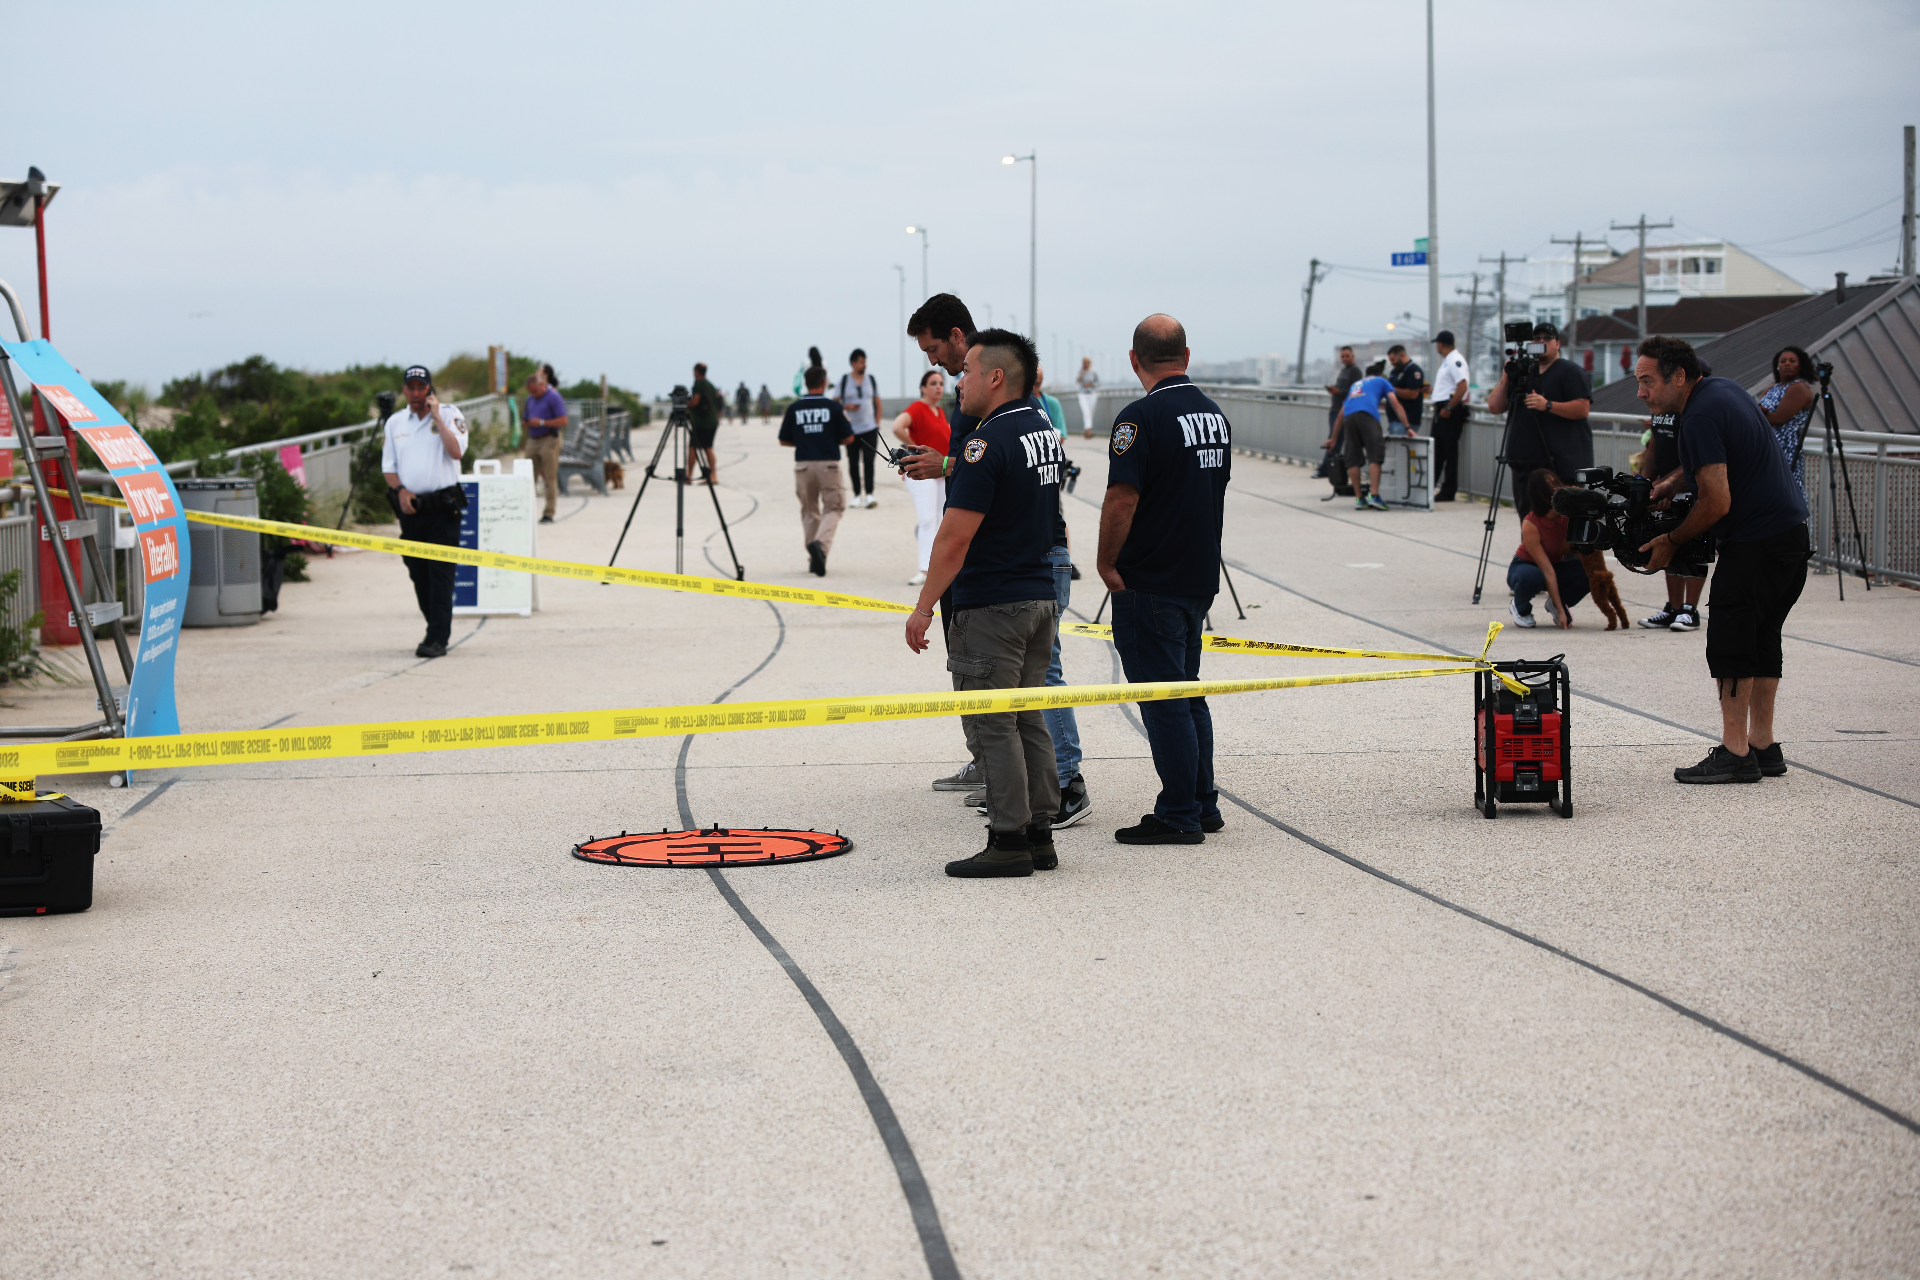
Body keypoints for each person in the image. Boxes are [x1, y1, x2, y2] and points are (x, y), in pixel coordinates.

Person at [902, 329, 1063, 878]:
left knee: (993, 723)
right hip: (1039, 596)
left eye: (967, 369)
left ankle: (1009, 838)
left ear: (996, 377)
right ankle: (1041, 831)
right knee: (1027, 716)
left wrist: (924, 606)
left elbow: (954, 537)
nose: (958, 379)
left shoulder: (983, 442)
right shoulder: (1041, 428)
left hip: (993, 602)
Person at [1634, 335, 1812, 785]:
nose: (1641, 392)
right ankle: (1763, 746)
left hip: (1755, 543)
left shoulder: (1699, 416)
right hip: (1790, 537)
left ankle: (1734, 753)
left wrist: (1671, 539)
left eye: (1647, 381)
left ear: (1679, 376)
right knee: (1762, 636)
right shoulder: (1725, 390)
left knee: (1731, 642)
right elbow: (1716, 464)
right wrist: (1671, 484)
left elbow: (1716, 502)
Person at [1097, 313, 1231, 845]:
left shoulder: (1139, 419)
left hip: (1149, 578)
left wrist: (1107, 564)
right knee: (1187, 691)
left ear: (1134, 360)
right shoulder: (1213, 415)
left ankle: (1178, 812)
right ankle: (1202, 802)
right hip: (1198, 575)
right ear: (1187, 355)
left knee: (1162, 697)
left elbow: (1121, 499)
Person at [899, 293, 990, 800]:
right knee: (965, 662)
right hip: (967, 552)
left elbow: (999, 463)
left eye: (934, 348)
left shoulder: (995, 389)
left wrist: (947, 466)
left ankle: (1058, 780)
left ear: (958, 336)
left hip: (987, 556)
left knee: (1006, 673)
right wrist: (941, 462)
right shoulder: (964, 390)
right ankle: (985, 761)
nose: (933, 360)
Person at [381, 365, 469, 658]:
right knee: (419, 574)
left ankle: (436, 638)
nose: (417, 394)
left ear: (431, 389)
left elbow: (456, 452)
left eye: (422, 388)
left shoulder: (450, 414)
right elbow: (389, 468)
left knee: (441, 574)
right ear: (404, 390)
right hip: (412, 510)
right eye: (412, 388)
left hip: (443, 509)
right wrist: (400, 491)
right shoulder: (395, 423)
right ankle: (435, 627)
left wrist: (437, 419)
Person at [1486, 321, 1592, 509]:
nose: (1541, 341)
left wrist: (1548, 405)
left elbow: (1582, 409)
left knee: (1562, 523)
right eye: (1536, 338)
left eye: (1547, 338)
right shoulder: (1524, 372)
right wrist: (1506, 378)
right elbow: (1494, 407)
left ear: (1557, 343)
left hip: (1560, 466)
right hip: (1525, 465)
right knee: (1529, 523)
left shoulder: (1571, 371)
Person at [1637, 404, 1711, 631]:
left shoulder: (1693, 408)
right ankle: (1674, 608)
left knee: (1694, 547)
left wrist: (1665, 482)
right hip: (1664, 486)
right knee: (1668, 542)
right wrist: (1645, 483)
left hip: (1690, 485)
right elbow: (1653, 447)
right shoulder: (1659, 407)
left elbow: (1696, 454)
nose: (1644, 392)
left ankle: (1690, 609)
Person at [777, 366, 856, 577]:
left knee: (809, 511)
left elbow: (783, 439)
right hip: (828, 464)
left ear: (806, 383)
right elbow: (849, 437)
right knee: (834, 507)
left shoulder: (794, 409)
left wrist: (805, 440)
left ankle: (814, 559)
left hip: (803, 466)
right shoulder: (833, 407)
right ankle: (820, 547)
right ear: (824, 383)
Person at [1505, 468, 1589, 630]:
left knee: (1588, 575)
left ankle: (1557, 602)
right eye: (1548, 485)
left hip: (1555, 565)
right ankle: (1520, 608)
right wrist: (1561, 612)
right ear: (1539, 494)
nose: (1554, 487)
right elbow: (1547, 570)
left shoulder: (1566, 515)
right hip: (1526, 565)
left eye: (1554, 482)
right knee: (1532, 578)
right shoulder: (1531, 524)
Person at [890, 368, 950, 586]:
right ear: (923, 388)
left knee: (941, 520)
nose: (938, 387)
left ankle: (939, 565)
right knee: (927, 521)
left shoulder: (940, 412)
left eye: (941, 383)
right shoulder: (918, 408)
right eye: (933, 383)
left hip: (941, 472)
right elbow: (897, 426)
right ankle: (925, 570)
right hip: (922, 471)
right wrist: (911, 448)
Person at [1329, 362, 1411, 511]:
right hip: (1367, 416)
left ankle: (1359, 498)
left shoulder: (1356, 385)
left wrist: (1334, 438)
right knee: (1375, 454)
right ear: (1380, 374)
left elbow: (1341, 412)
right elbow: (1395, 403)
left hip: (1349, 418)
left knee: (1353, 458)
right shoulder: (1382, 381)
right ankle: (1374, 496)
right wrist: (1408, 427)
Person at [1759, 345, 1816, 498]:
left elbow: (1778, 418)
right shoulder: (1772, 388)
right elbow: (1757, 413)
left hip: (1784, 445)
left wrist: (1759, 414)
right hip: (1766, 443)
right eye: (1783, 361)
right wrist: (1759, 413)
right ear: (1777, 366)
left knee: (1784, 490)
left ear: (1801, 365)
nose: (1787, 364)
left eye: (1792, 361)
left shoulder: (1799, 388)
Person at [837, 349, 884, 509]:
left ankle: (869, 494)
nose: (864, 365)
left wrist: (877, 423)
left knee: (869, 461)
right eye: (861, 362)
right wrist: (846, 406)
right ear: (853, 363)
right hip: (850, 429)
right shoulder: (844, 381)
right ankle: (857, 494)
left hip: (870, 428)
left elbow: (878, 402)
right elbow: (835, 403)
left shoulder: (870, 379)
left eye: (865, 362)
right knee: (853, 462)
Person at [1427, 330, 1471, 501]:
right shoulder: (1447, 361)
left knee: (1449, 451)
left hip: (1450, 411)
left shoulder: (1455, 360)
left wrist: (1449, 408)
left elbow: (1462, 386)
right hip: (1442, 408)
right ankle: (1432, 486)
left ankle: (1449, 489)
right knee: (1437, 450)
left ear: (1440, 344)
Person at [522, 365, 567, 524]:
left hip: (549, 439)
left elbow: (563, 420)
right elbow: (526, 415)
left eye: (535, 391)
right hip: (533, 439)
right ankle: (525, 511)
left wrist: (541, 422)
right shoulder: (530, 398)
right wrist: (527, 422)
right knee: (527, 476)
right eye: (530, 392)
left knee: (549, 476)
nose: (533, 394)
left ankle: (549, 512)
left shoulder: (553, 397)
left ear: (542, 385)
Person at [686, 362, 722, 484]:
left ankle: (689, 475)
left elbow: (695, 401)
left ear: (696, 371)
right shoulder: (710, 385)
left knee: (693, 448)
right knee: (708, 448)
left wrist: (686, 405)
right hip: (711, 421)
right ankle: (713, 476)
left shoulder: (698, 384)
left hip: (702, 422)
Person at [1386, 343, 1426, 434]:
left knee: (1401, 447)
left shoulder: (1413, 371)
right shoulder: (1394, 372)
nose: (1392, 363)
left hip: (1407, 421)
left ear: (1402, 356)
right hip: (1393, 419)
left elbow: (1413, 394)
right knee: (1393, 448)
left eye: (1393, 360)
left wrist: (1392, 390)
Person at [1076, 356, 1100, 438]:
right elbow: (1078, 381)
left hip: (1092, 394)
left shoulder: (1093, 372)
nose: (1085, 364)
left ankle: (1087, 430)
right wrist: (1082, 372)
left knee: (1090, 413)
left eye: (1086, 363)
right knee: (1086, 412)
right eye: (1084, 363)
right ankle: (1088, 432)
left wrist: (1091, 384)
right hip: (1083, 394)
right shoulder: (1081, 372)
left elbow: (1098, 383)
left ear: (1089, 363)